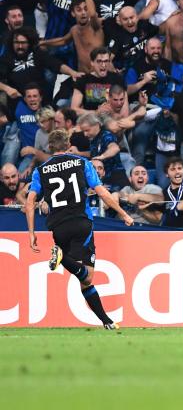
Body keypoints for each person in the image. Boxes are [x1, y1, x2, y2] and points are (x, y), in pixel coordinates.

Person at [24, 129, 133, 330]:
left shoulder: (41, 170)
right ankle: (62, 257)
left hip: (58, 226)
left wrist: (31, 233)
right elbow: (102, 193)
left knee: (83, 279)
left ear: (49, 147)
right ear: (68, 145)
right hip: (81, 222)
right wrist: (123, 214)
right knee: (88, 276)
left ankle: (106, 321)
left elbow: (30, 202)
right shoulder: (82, 163)